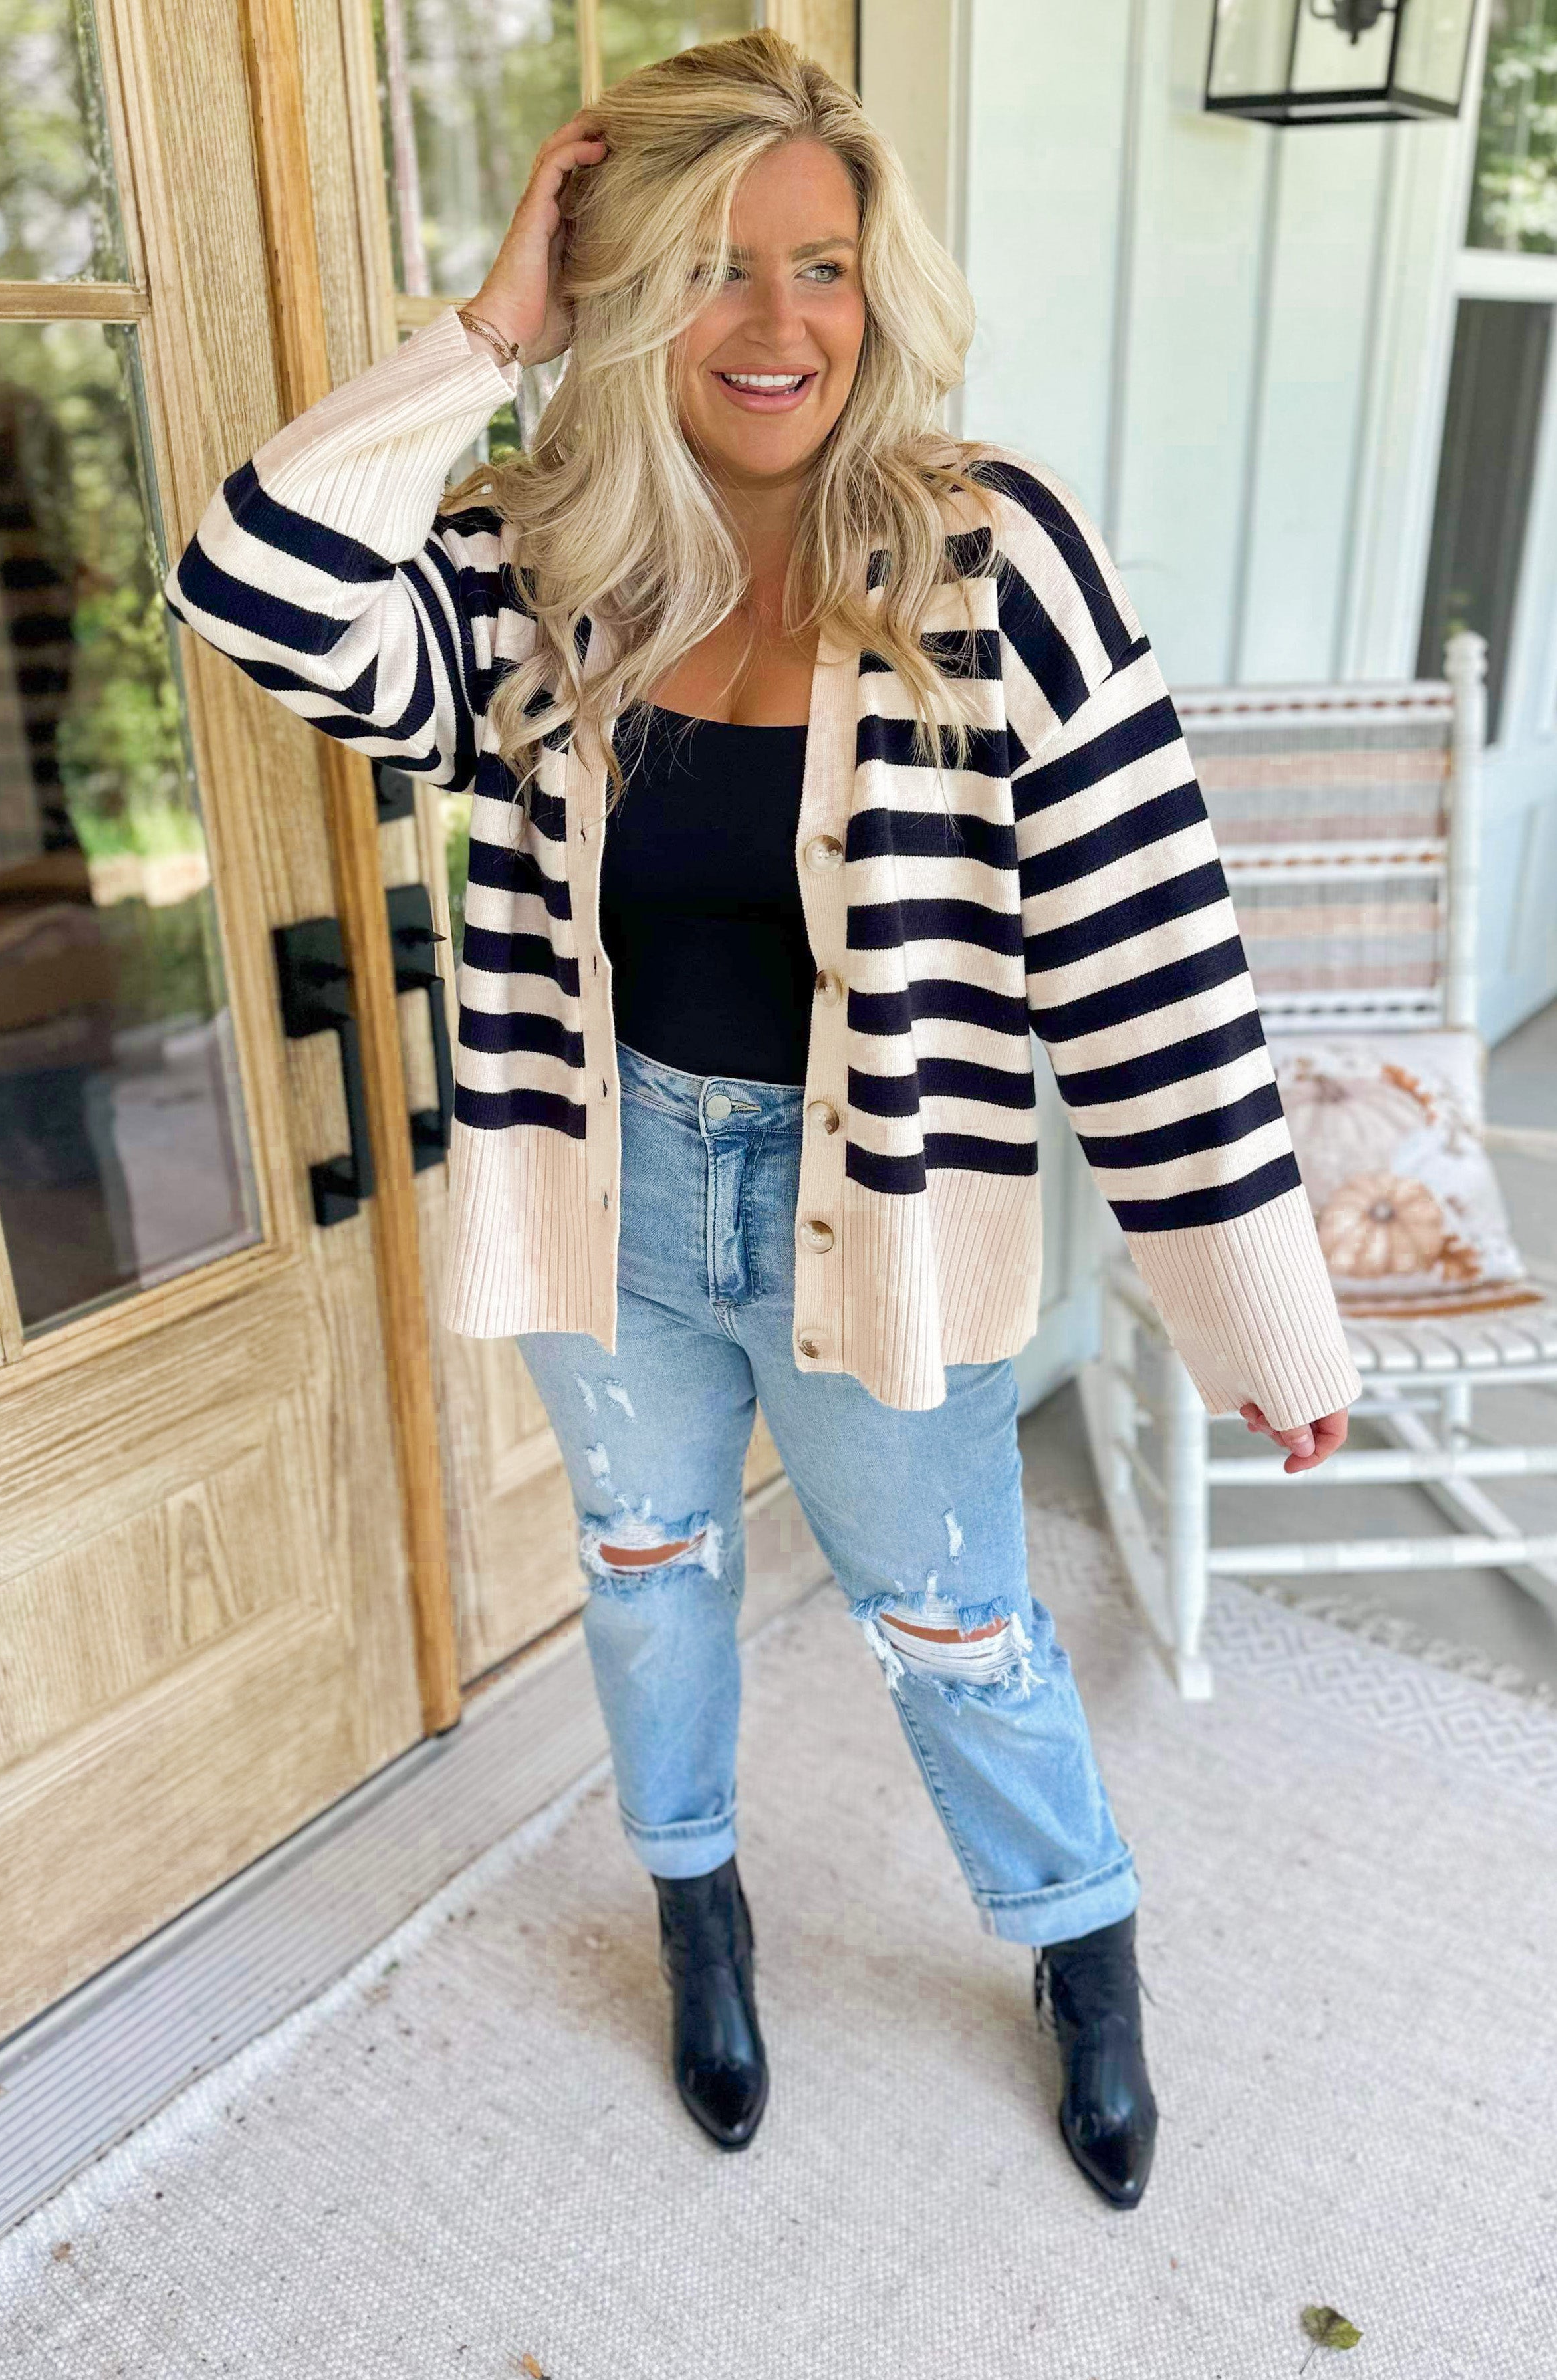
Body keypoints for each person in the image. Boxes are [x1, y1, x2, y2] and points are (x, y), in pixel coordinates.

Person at [165, 29, 1358, 2209]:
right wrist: (491, 332)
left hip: (873, 1204)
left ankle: (1078, 1942)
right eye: (710, 264)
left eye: (818, 263)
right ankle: (696, 1905)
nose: (777, 321)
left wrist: (1253, 1311)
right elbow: (254, 589)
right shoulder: (533, 561)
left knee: (955, 1619)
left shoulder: (993, 557)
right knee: (645, 1579)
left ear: (878, 282)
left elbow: (1147, 961)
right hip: (601, 1188)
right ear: (626, 290)